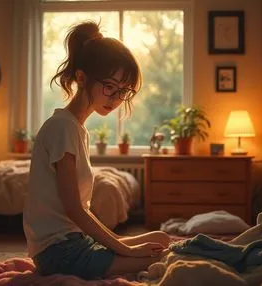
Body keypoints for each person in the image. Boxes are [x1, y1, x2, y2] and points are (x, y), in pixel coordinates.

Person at [22, 21, 171, 280]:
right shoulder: (62, 127)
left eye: (122, 91)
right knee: (159, 256)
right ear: (81, 77)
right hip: (58, 253)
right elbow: (74, 209)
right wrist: (127, 249)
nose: (115, 99)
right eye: (109, 87)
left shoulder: (77, 129)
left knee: (161, 238)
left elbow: (80, 211)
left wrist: (121, 245)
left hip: (76, 241)